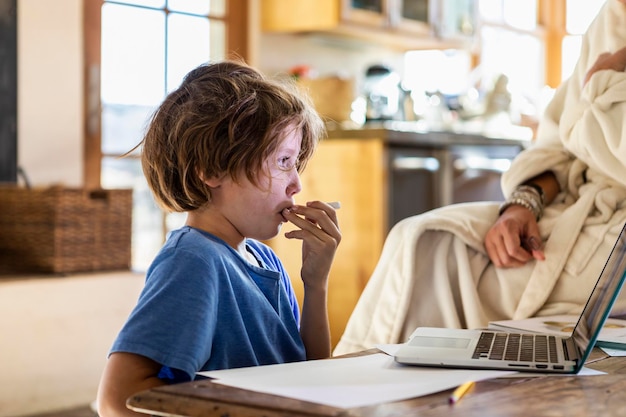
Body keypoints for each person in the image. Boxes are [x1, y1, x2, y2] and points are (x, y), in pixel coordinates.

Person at [334, 0, 626, 356]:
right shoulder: (608, 20)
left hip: (615, 232)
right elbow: (558, 146)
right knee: (426, 238)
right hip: (573, 208)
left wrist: (600, 84)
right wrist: (522, 205)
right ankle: (358, 378)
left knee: (471, 281)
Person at [97, 60, 341, 417]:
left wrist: (315, 283)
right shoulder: (194, 259)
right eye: (284, 161)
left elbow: (311, 375)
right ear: (213, 170)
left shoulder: (263, 257)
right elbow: (116, 400)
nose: (297, 184)